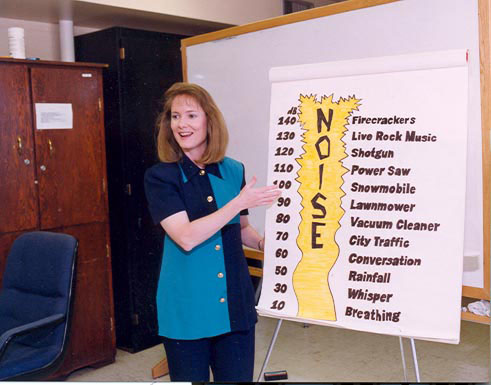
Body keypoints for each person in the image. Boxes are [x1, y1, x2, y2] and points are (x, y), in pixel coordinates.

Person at [144, 82, 280, 382]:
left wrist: (262, 242)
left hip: (235, 304)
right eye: (175, 116)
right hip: (186, 308)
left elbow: (241, 228)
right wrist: (238, 203)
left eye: (191, 116)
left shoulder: (233, 169)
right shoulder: (161, 177)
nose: (182, 124)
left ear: (209, 120)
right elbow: (186, 236)